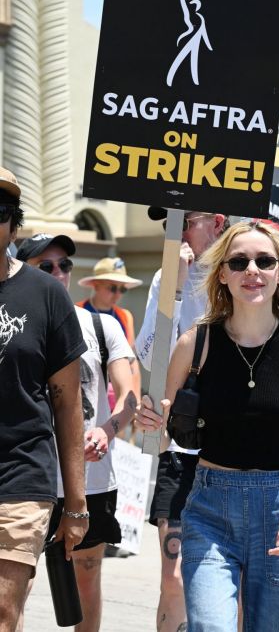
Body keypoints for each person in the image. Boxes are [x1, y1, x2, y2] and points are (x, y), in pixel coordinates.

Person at [141, 220, 279, 632]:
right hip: (210, 508)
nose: (253, 270)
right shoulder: (195, 343)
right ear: (223, 274)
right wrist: (153, 422)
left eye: (264, 261)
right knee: (211, 626)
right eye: (239, 261)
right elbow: (164, 435)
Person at [17, 234, 137, 632]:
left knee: (85, 590)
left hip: (92, 482)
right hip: (26, 478)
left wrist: (108, 428)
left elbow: (130, 397)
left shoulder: (103, 327)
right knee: (14, 590)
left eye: (64, 265)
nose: (58, 273)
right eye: (46, 266)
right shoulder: (14, 322)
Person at [0, 168, 88, 631]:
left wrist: (75, 503)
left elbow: (67, 403)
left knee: (1, 611)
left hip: (20, 472)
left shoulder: (46, 295)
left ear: (13, 225)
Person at [135, 208, 227, 632]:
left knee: (234, 578)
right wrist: (172, 291)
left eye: (187, 220)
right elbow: (150, 358)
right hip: (181, 446)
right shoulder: (165, 277)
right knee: (173, 577)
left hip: (233, 448)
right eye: (170, 223)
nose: (178, 231)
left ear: (218, 222)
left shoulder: (241, 271)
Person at [76, 256, 142, 409]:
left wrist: (136, 401)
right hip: (86, 394)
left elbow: (132, 361)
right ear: (95, 285)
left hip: (118, 397)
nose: (118, 294)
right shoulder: (78, 311)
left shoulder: (125, 316)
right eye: (112, 288)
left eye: (122, 288)